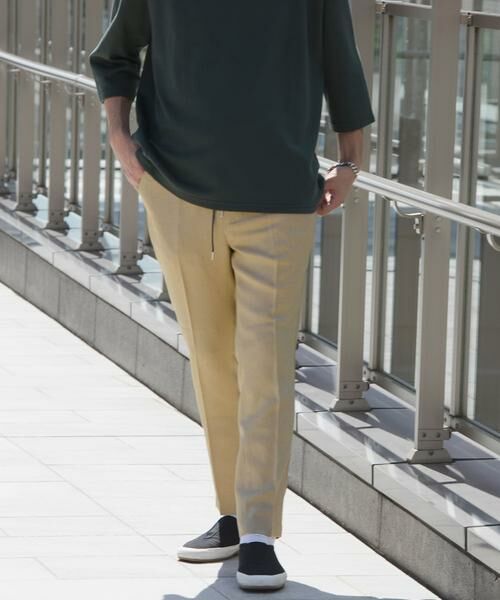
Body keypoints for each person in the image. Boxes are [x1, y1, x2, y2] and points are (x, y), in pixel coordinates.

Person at [89, 0, 375, 592]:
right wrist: (120, 140)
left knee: (265, 365)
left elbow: (339, 61)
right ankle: (233, 515)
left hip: (279, 196)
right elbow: (115, 54)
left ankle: (259, 534)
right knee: (214, 362)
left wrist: (351, 162)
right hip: (176, 190)